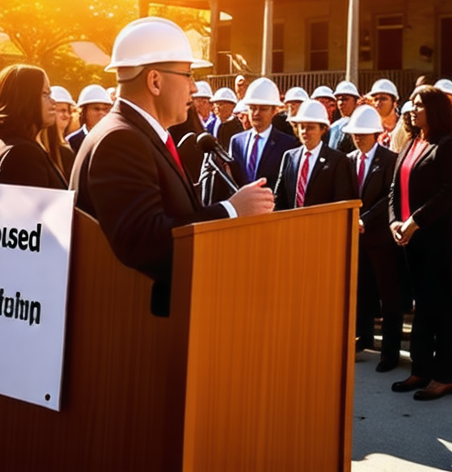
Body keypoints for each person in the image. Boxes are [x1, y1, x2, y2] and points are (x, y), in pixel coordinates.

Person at [72, 17, 275, 316]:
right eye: (188, 75)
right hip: (137, 329)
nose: (194, 88)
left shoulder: (135, 133)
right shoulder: (121, 140)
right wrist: (231, 211)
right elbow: (146, 242)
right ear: (155, 81)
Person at [388, 86, 452, 401]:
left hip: (440, 238)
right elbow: (395, 187)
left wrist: (415, 221)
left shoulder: (448, 145)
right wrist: (395, 220)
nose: (412, 109)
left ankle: (445, 376)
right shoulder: (411, 142)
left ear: (434, 109)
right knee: (421, 306)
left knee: (444, 308)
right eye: (411, 104)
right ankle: (420, 369)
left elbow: (450, 192)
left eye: (419, 105)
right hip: (411, 237)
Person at [348, 106, 402, 369]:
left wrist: (365, 218)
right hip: (356, 237)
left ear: (375, 134)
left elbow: (388, 197)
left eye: (363, 133)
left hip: (381, 237)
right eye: (354, 133)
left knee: (388, 294)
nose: (358, 138)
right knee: (361, 291)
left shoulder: (390, 159)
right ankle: (362, 338)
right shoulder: (348, 160)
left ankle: (390, 351)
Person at [0, 65, 68, 189]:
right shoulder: (24, 154)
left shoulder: (2, 143)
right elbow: (31, 207)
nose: (54, 102)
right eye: (45, 94)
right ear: (24, 100)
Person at [274, 100, 355, 210]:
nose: (304, 131)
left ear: (323, 129)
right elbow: (279, 198)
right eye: (302, 127)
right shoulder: (289, 157)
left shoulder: (338, 161)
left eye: (310, 127)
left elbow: (342, 202)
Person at [229, 78, 300, 189]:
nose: (256, 113)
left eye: (263, 109)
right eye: (252, 108)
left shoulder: (288, 144)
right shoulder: (236, 142)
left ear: (274, 111)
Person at [68, 84, 114, 152]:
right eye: (96, 109)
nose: (101, 113)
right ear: (84, 112)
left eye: (105, 109)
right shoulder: (72, 142)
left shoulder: (114, 140)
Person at [327, 80, 363, 150]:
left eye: (345, 99)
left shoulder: (363, 127)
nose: (340, 103)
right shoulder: (333, 127)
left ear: (356, 102)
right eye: (338, 99)